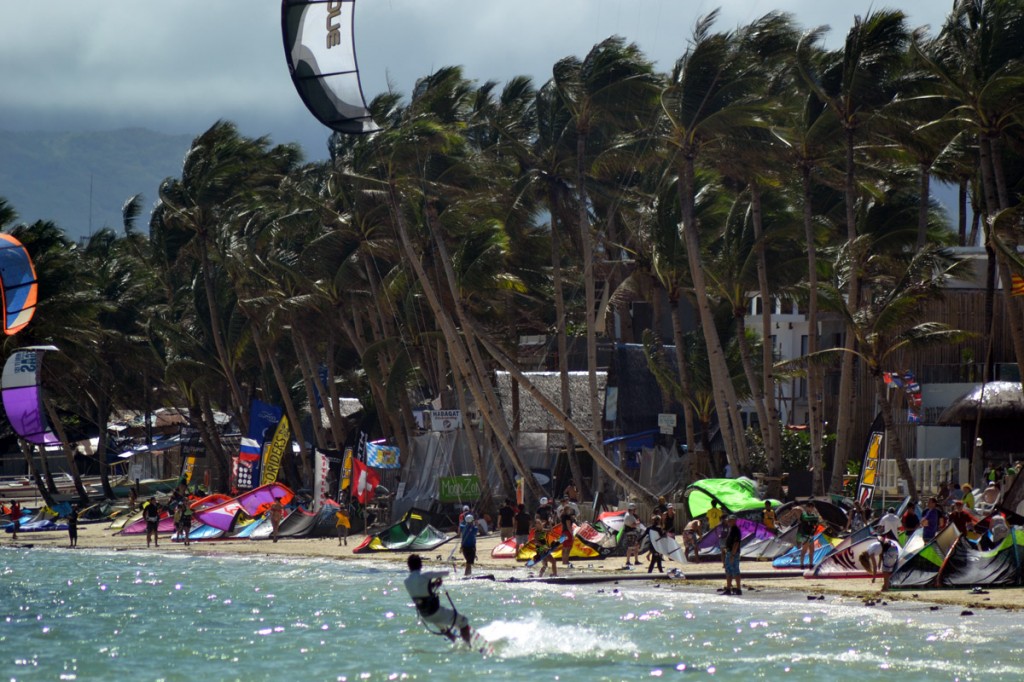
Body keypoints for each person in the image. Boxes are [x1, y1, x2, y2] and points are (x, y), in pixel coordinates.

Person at [403, 554, 471, 644]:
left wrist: (435, 584)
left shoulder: (407, 581)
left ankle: (456, 642)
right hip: (436, 612)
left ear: (409, 566)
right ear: (421, 565)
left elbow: (422, 591)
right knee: (464, 621)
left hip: (425, 616)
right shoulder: (425, 576)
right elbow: (446, 573)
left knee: (445, 629)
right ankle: (467, 646)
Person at [556, 495, 579, 567]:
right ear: (567, 510)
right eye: (569, 510)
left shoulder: (562, 516)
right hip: (567, 532)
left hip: (563, 532)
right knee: (568, 547)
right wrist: (572, 534)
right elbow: (569, 526)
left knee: (564, 547)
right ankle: (566, 561)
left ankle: (564, 561)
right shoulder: (567, 517)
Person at [722, 515, 742, 595]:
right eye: (728, 520)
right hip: (729, 552)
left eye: (730, 520)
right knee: (728, 571)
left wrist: (733, 555)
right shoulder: (731, 529)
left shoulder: (736, 530)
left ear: (734, 521)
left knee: (735, 570)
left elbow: (736, 543)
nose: (728, 522)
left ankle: (738, 588)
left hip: (733, 553)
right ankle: (728, 588)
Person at [533, 513, 557, 577]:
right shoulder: (537, 532)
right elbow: (536, 541)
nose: (538, 525)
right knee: (553, 562)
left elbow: (551, 531)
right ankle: (555, 574)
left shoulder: (543, 530)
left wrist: (550, 523)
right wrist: (543, 547)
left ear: (541, 524)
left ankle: (540, 576)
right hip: (541, 549)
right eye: (536, 524)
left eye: (539, 524)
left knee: (545, 565)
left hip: (544, 548)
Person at [797, 502, 818, 570]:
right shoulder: (804, 514)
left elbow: (816, 521)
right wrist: (815, 517)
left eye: (812, 507)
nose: (811, 509)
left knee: (812, 550)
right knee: (804, 550)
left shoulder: (812, 514)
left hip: (811, 534)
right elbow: (806, 518)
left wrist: (815, 518)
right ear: (807, 507)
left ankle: (811, 564)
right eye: (810, 507)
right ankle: (802, 565)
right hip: (805, 534)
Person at [623, 502, 641, 568]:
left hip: (633, 533)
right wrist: (637, 523)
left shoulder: (631, 515)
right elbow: (632, 525)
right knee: (630, 547)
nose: (635, 510)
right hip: (630, 533)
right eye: (634, 509)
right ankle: (628, 561)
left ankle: (636, 561)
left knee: (636, 546)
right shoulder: (628, 516)